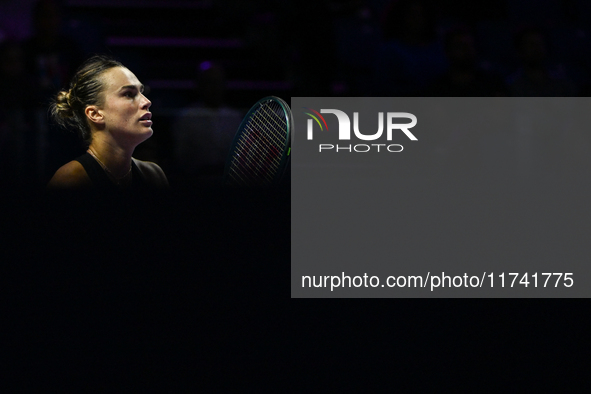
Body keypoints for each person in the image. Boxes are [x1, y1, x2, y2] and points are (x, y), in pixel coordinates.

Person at [48, 55, 168, 190]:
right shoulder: (70, 180)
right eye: (128, 94)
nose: (146, 102)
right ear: (95, 114)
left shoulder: (153, 175)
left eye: (141, 92)